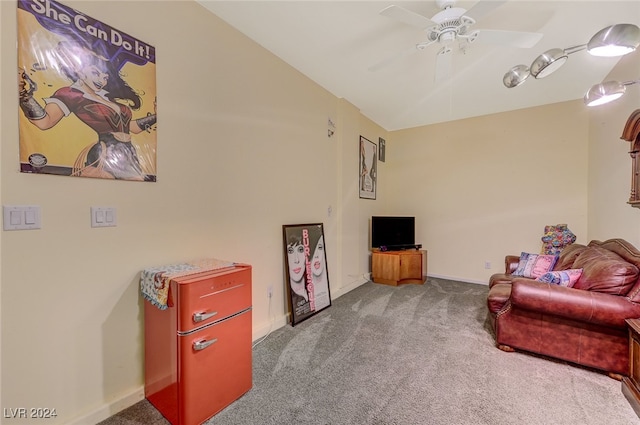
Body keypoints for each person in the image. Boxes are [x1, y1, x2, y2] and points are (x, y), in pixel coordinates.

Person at [18, 41, 156, 180]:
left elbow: (132, 127)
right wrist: (23, 94)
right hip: (103, 155)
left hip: (129, 155)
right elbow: (45, 121)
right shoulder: (70, 94)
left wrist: (156, 116)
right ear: (79, 70)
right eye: (95, 73)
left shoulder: (107, 98)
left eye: (105, 77)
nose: (101, 80)